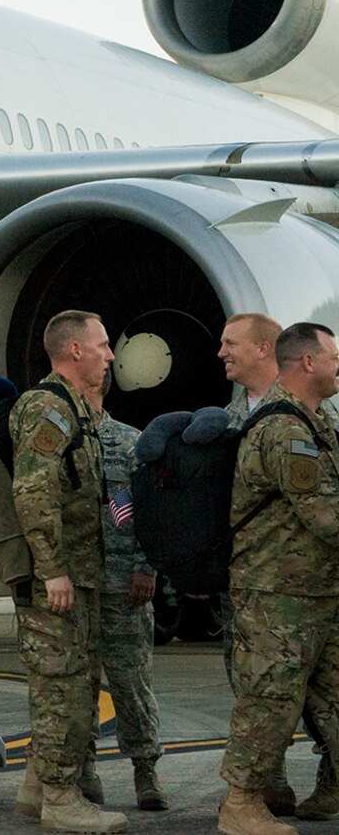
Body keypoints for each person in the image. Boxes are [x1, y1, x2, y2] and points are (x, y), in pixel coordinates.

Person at [218, 322, 339, 834]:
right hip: (277, 596)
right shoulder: (285, 430)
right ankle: (241, 804)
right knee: (269, 700)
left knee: (333, 696)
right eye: (333, 356)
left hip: (318, 589)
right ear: (307, 363)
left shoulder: (318, 424)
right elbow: (327, 516)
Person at [10, 310, 126, 834]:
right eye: (102, 345)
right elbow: (35, 491)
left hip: (82, 572)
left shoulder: (76, 409)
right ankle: (60, 798)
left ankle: (37, 789)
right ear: (74, 351)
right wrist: (52, 569)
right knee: (64, 690)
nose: (110, 354)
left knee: (74, 684)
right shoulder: (48, 408)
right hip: (60, 578)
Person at [85, 384, 166, 812]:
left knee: (132, 686)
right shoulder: (58, 440)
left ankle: (145, 770)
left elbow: (150, 511)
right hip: (77, 588)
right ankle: (83, 772)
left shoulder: (130, 441)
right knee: (78, 689)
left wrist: (144, 567)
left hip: (124, 587)